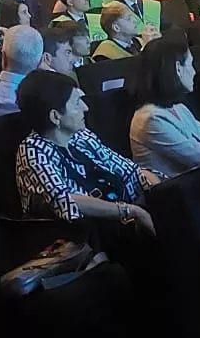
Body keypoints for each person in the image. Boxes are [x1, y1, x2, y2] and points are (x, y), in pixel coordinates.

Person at [14, 69, 154, 228]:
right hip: (85, 234)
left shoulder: (81, 136)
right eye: (76, 103)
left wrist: (161, 191)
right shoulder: (33, 153)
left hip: (125, 221)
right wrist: (131, 211)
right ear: (55, 116)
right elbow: (66, 200)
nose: (85, 108)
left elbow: (129, 170)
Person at [129, 37, 200, 178]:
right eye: (191, 64)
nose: (195, 71)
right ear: (178, 68)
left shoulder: (178, 107)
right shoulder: (150, 120)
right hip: (175, 190)